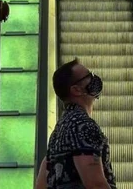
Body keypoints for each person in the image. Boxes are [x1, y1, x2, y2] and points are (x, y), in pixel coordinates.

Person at [34, 59, 114, 189]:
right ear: (76, 90)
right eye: (89, 76)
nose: (94, 78)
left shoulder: (59, 130)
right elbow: (95, 184)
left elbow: (41, 184)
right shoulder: (82, 125)